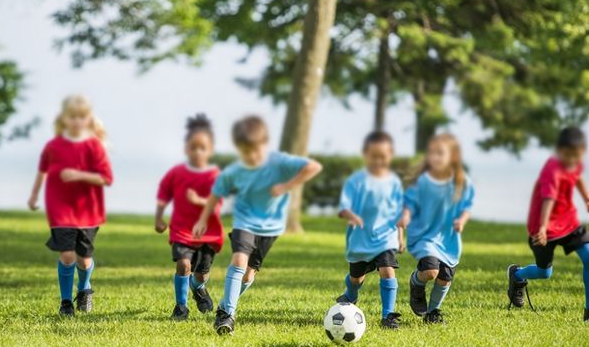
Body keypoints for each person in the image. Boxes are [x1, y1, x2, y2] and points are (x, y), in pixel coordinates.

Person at [192, 115, 322, 335]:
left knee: (249, 275)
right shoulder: (235, 171)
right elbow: (216, 194)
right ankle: (228, 315)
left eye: (255, 150)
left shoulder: (279, 161)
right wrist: (203, 219)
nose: (251, 156)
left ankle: (225, 304)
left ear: (264, 143)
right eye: (245, 151)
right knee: (239, 260)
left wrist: (286, 186)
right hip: (245, 222)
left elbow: (313, 167)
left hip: (271, 228)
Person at [28, 95, 113, 316]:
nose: (77, 121)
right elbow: (42, 170)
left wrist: (78, 175)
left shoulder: (94, 146)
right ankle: (66, 302)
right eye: (72, 116)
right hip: (60, 209)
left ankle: (84, 288)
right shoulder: (53, 146)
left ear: (88, 119)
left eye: (81, 117)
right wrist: (34, 195)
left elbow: (106, 178)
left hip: (88, 211)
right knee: (67, 255)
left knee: (84, 261)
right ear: (64, 118)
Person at [507, 126, 589, 321]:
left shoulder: (575, 162)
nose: (571, 159)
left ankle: (588, 311)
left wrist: (586, 197)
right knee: (545, 273)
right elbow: (548, 200)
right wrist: (543, 228)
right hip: (544, 226)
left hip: (568, 221)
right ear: (559, 150)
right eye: (568, 154)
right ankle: (517, 275)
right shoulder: (552, 169)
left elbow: (577, 177)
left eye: (576, 154)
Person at [398, 133, 475, 324]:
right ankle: (416, 282)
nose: (435, 157)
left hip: (448, 238)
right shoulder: (422, 182)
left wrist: (462, 221)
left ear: (452, 157)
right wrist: (406, 216)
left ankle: (433, 312)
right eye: (432, 153)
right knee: (431, 272)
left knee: (444, 278)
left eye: (440, 153)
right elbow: (409, 203)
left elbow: (466, 207)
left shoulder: (460, 182)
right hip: (425, 236)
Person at [155, 114, 224, 321]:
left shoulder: (214, 176)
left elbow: (217, 204)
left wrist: (198, 200)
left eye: (202, 148)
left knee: (201, 274)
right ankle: (181, 307)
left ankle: (198, 287)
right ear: (186, 149)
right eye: (193, 147)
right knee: (184, 265)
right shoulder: (177, 172)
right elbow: (163, 193)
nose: (197, 152)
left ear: (209, 150)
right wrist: (159, 218)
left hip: (207, 234)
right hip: (181, 230)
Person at [336, 131, 404, 329]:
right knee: (357, 278)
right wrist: (352, 216)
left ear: (390, 155)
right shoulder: (356, 181)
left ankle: (388, 316)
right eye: (374, 156)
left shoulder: (394, 183)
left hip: (385, 237)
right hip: (361, 238)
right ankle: (350, 294)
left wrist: (400, 236)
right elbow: (343, 209)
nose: (378, 160)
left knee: (387, 270)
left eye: (383, 156)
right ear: (365, 155)